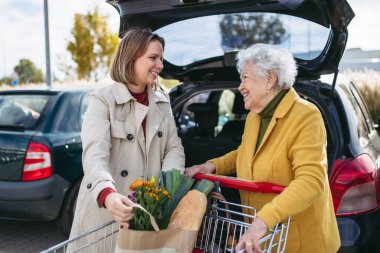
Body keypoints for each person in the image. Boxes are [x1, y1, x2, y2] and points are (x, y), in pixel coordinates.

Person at [185, 43, 340, 253]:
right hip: (265, 237)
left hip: (300, 241)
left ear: (270, 79)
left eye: (246, 78)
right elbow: (245, 153)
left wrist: (263, 220)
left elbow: (311, 181)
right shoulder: (255, 116)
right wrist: (211, 165)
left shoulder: (306, 115)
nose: (240, 86)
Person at [68, 28, 185, 251]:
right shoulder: (102, 100)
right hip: (105, 214)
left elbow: (173, 148)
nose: (160, 65)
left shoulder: (162, 101)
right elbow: (95, 155)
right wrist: (108, 195)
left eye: (161, 58)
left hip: (147, 213)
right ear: (131, 57)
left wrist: (166, 192)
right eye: (153, 58)